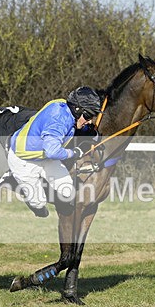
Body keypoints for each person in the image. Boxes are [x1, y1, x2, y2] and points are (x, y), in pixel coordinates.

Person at [7, 86, 102, 217]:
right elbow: (53, 151)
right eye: (88, 115)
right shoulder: (57, 123)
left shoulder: (62, 105)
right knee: (39, 205)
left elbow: (69, 127)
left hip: (45, 157)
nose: (90, 120)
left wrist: (86, 131)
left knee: (68, 191)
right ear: (77, 109)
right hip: (23, 161)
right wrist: (75, 153)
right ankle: (26, 194)